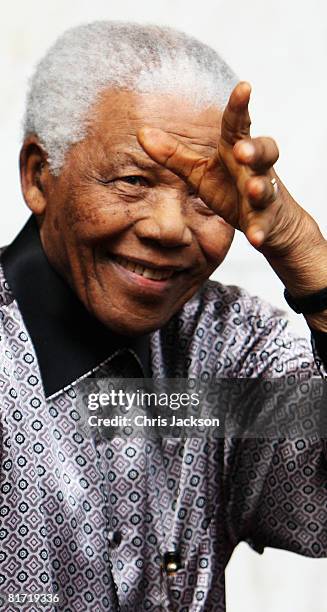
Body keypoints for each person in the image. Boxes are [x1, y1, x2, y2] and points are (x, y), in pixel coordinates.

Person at [0, 20, 326, 612]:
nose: (170, 228)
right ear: (37, 175)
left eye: (205, 196)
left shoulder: (224, 356)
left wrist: (308, 258)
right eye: (132, 180)